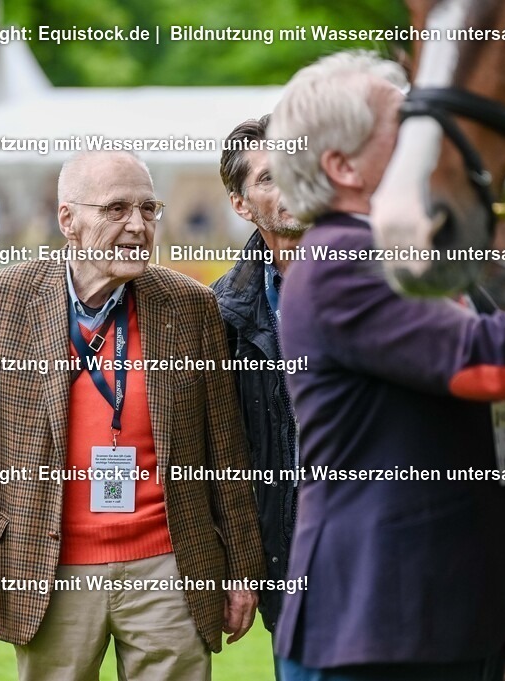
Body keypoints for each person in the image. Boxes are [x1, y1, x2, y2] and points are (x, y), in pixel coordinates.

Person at [268, 50, 505, 681]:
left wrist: (503, 627)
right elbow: (494, 367)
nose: (433, 135)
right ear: (342, 166)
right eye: (405, 125)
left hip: (439, 618)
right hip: (377, 630)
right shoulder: (343, 261)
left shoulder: (402, 257)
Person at [0, 151, 264, 681]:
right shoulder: (5, 300)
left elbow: (225, 449)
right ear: (69, 220)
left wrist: (243, 571)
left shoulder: (190, 305)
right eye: (116, 209)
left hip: (170, 569)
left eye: (149, 209)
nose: (138, 225)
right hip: (48, 568)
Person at [211, 114, 306, 676]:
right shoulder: (223, 312)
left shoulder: (385, 280)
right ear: (241, 204)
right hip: (289, 572)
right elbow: (220, 453)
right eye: (269, 178)